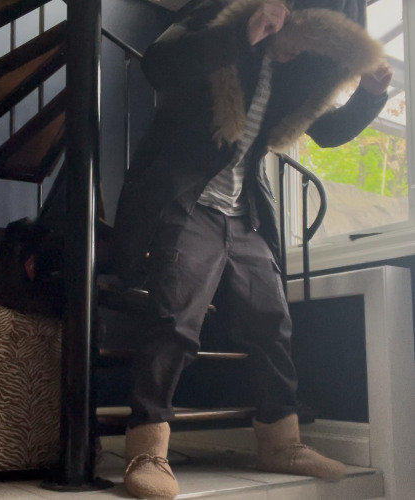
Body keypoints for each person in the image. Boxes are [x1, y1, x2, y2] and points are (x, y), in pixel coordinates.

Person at [112, 0, 393, 498]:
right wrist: (242, 35)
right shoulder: (216, 24)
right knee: (174, 322)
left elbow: (326, 132)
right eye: (295, 35)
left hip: (243, 213)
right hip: (189, 202)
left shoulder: (290, 77)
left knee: (272, 323)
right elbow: (158, 64)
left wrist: (370, 98)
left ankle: (281, 442)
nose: (296, 50)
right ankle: (147, 448)